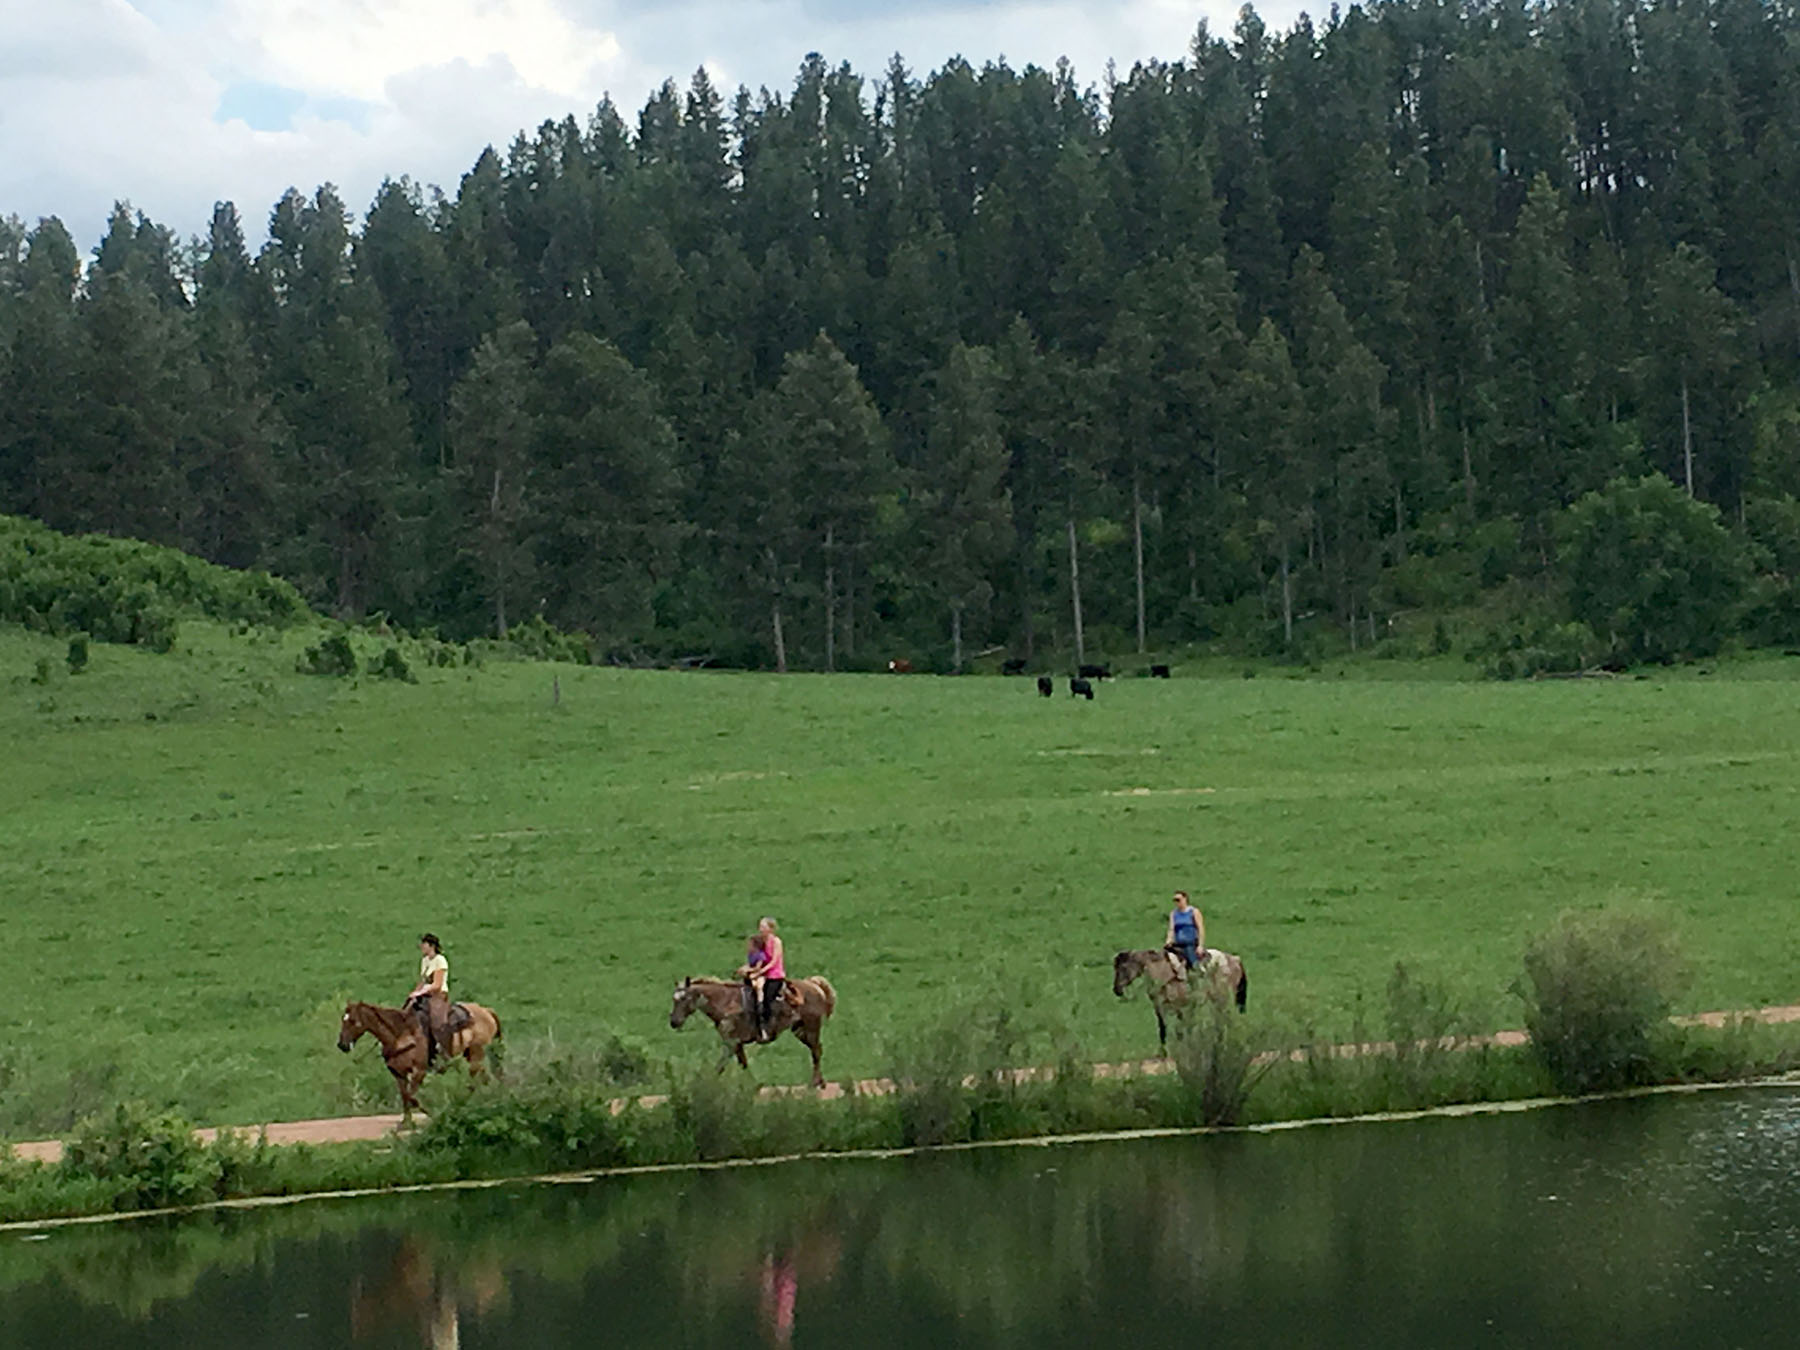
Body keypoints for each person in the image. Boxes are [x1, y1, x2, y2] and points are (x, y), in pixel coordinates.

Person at [738, 916, 787, 1042]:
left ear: (771, 929)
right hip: (764, 974)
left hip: (775, 975)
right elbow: (759, 959)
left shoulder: (776, 942)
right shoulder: (761, 942)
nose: (760, 929)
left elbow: (774, 961)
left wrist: (760, 972)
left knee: (767, 999)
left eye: (763, 927)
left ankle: (768, 1026)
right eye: (760, 926)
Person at [406, 933, 453, 1061]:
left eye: (424, 944)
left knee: (436, 1019)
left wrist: (421, 992)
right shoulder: (425, 961)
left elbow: (437, 984)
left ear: (432, 946)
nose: (422, 947)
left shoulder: (440, 960)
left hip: (438, 995)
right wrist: (414, 993)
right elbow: (423, 981)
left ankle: (440, 1045)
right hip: (425, 994)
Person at [1165, 891, 1205, 982]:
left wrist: (1200, 945)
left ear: (1185, 899)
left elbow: (1200, 928)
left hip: (1190, 942)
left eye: (1178, 900)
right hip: (1178, 942)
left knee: (1192, 960)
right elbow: (1171, 929)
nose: (1177, 902)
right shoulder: (1174, 913)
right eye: (1175, 900)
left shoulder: (1193, 912)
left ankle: (1199, 973)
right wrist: (1169, 940)